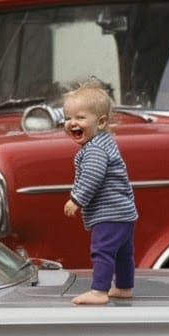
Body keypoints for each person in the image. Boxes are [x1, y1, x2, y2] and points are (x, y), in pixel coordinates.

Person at [62, 79, 138, 305]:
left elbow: (92, 177)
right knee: (123, 253)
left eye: (80, 117)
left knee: (102, 251)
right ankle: (124, 287)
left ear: (102, 122)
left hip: (109, 213)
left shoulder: (95, 149)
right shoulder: (106, 142)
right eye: (67, 118)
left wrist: (76, 199)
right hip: (124, 213)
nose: (72, 123)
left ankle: (99, 291)